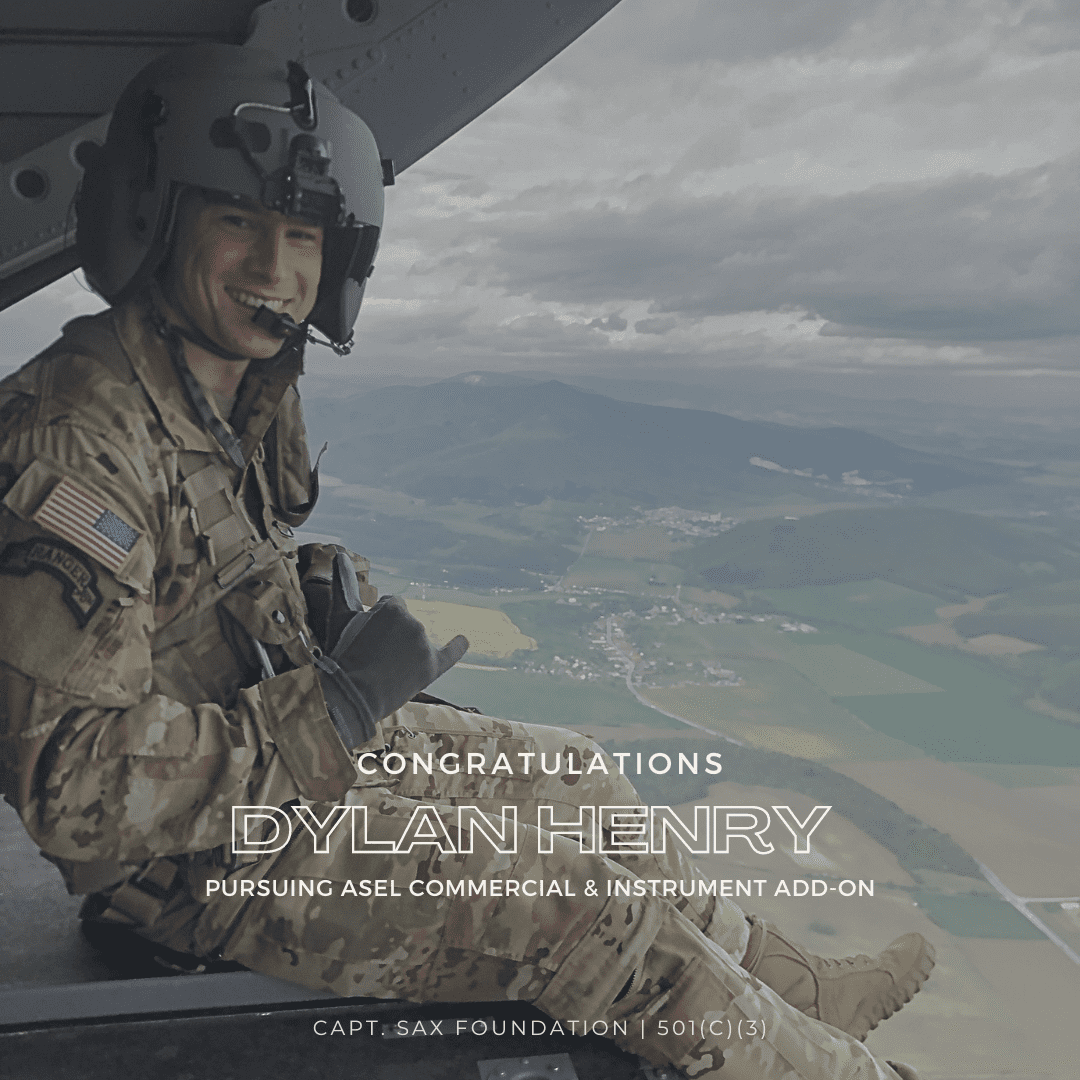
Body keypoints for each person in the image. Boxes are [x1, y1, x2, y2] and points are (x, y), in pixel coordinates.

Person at [0, 44, 932, 1079]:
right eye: (236, 222)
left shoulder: (228, 390)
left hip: (282, 785)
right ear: (156, 216)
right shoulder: (75, 432)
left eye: (301, 233)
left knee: (580, 780)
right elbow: (71, 791)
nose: (275, 271)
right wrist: (340, 710)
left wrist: (308, 601)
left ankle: (786, 987)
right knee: (583, 912)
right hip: (197, 872)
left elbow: (188, 590)